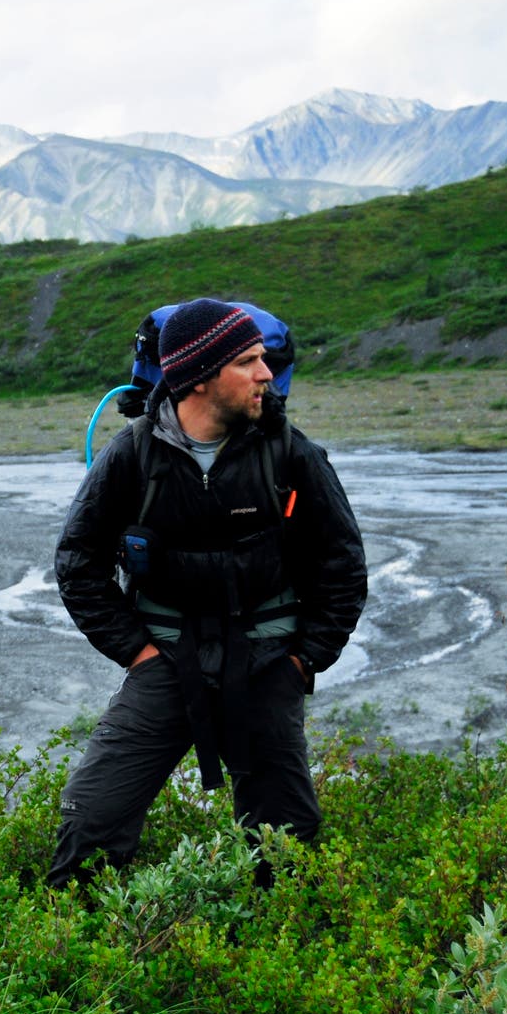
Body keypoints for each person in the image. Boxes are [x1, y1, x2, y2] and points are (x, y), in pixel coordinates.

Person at [47, 298, 368, 889]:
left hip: (269, 662)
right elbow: (77, 563)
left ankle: (278, 952)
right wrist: (138, 653)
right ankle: (76, 953)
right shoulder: (133, 454)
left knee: (286, 839)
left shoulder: (291, 452)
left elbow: (343, 564)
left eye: (265, 359)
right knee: (90, 815)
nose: (266, 374)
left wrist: (303, 660)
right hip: (167, 660)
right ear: (198, 376)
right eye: (248, 361)